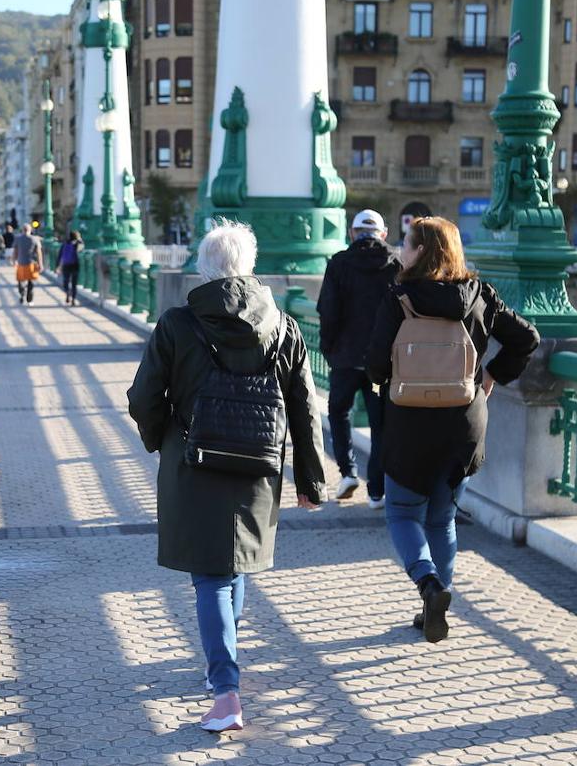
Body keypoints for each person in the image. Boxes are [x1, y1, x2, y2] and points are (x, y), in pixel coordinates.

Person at [127, 220, 327, 733]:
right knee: (233, 566)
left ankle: (225, 692)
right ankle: (225, 660)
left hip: (195, 462)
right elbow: (305, 408)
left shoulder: (177, 323)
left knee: (212, 576)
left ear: (203, 267)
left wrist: (161, 439)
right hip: (259, 462)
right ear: (250, 266)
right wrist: (310, 477)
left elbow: (143, 397)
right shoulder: (283, 326)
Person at [366, 216, 539, 644]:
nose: (400, 252)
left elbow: (373, 365)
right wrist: (492, 375)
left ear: (422, 250)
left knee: (403, 512)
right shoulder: (479, 295)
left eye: (405, 244)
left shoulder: (399, 298)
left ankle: (428, 584)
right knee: (442, 518)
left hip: (409, 423)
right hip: (463, 422)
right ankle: (435, 603)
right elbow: (527, 338)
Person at [316, 209, 400, 510]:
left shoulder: (339, 263)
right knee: (381, 425)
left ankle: (348, 471)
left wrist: (330, 350)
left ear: (352, 233)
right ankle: (376, 491)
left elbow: (328, 310)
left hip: (346, 358)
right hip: (382, 363)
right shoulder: (396, 263)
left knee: (339, 413)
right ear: (384, 234)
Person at [12, 223, 43, 304]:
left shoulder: (18, 238)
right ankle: (29, 299)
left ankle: (22, 294)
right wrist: (40, 264)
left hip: (21, 263)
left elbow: (15, 251)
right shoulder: (35, 239)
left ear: (22, 230)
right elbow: (39, 253)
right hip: (31, 263)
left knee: (20, 281)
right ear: (30, 230)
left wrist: (14, 260)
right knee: (31, 282)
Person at [56, 230, 83, 306]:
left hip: (66, 265)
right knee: (74, 283)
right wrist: (80, 240)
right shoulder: (78, 244)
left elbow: (60, 255)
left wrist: (58, 266)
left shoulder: (64, 244)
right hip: (75, 265)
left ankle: (67, 293)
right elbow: (82, 248)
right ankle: (73, 299)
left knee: (66, 281)